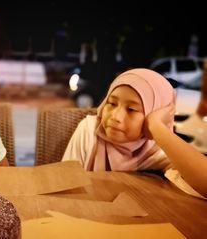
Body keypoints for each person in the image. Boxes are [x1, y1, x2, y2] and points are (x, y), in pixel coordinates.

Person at [62, 68, 207, 197]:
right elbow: (65, 183)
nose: (115, 117)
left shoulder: (155, 149)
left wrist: (157, 127)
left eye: (131, 109)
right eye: (111, 103)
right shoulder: (90, 130)